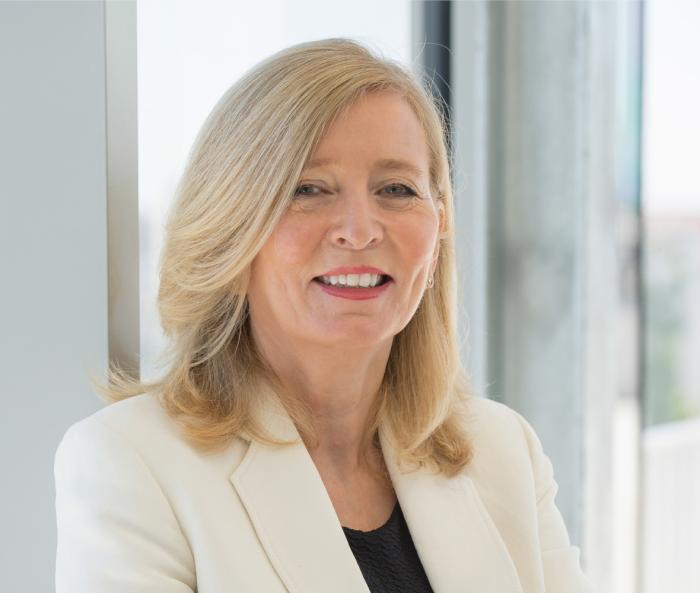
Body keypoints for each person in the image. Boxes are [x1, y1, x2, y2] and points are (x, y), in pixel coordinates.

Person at [54, 38, 594, 593]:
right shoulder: (131, 462)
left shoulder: (504, 452)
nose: (359, 231)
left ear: (438, 230)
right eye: (308, 189)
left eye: (396, 189)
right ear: (232, 229)